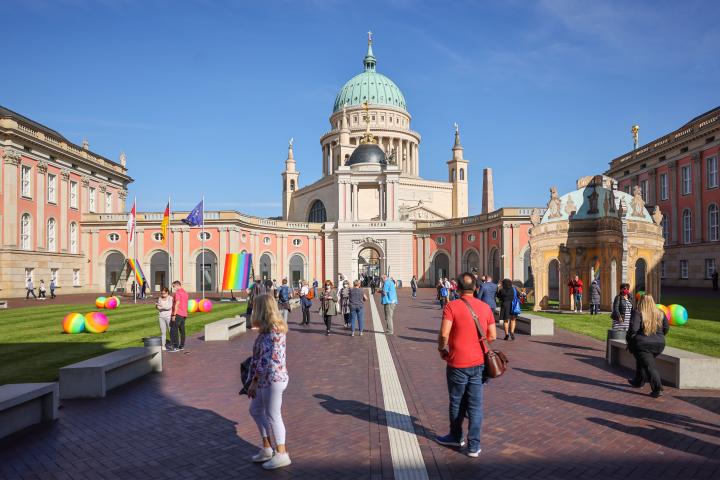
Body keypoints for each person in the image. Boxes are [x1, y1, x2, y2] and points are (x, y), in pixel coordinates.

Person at [436, 272, 497, 458]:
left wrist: (441, 348)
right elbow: (492, 335)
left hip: (456, 362)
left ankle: (456, 436)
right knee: (475, 405)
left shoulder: (451, 306)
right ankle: (474, 446)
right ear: (476, 288)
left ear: (459, 288)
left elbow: (444, 334)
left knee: (456, 401)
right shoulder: (485, 308)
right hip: (478, 362)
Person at [248, 293, 291, 470]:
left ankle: (281, 453)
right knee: (256, 410)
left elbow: (265, 360)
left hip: (272, 379)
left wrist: (254, 381)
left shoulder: (272, 330)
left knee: (274, 415)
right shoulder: (270, 329)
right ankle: (267, 447)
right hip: (270, 378)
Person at [627, 294, 669, 398]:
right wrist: (658, 336)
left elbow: (633, 329)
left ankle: (657, 388)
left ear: (640, 302)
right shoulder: (660, 313)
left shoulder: (637, 312)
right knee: (643, 360)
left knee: (649, 366)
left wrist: (630, 340)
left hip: (643, 344)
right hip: (659, 344)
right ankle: (638, 381)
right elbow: (666, 328)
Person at [170, 280, 189, 351]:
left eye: (174, 286)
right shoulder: (185, 293)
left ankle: (176, 346)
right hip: (184, 314)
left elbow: (177, 303)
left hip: (178, 313)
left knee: (174, 329)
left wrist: (174, 314)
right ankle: (182, 345)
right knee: (182, 330)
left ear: (177, 285)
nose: (173, 288)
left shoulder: (178, 293)